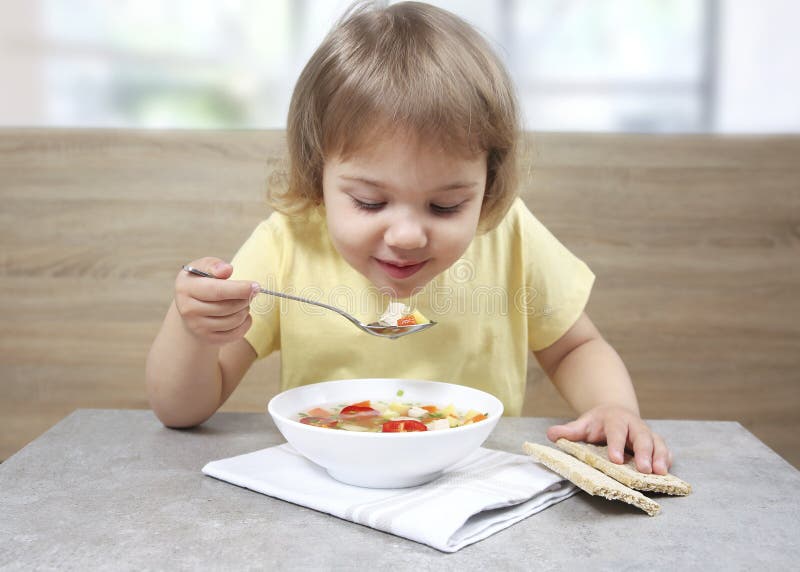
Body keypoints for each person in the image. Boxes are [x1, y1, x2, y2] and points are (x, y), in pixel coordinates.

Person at [146, 1, 672, 475]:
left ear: (489, 187)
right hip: (324, 490)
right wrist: (193, 328)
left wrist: (613, 407)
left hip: (473, 483)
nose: (406, 236)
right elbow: (181, 410)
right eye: (370, 202)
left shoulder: (508, 233)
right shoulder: (288, 243)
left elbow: (576, 347)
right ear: (318, 174)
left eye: (446, 206)